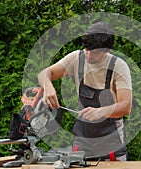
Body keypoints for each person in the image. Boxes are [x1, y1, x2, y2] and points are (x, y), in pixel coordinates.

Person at [38, 22, 132, 161]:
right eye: (86, 49)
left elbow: (126, 106)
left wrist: (101, 111)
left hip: (111, 142)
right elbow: (45, 73)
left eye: (94, 52)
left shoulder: (118, 66)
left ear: (106, 50)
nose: (88, 55)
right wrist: (48, 87)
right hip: (82, 139)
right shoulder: (77, 58)